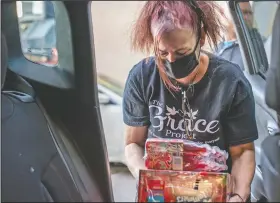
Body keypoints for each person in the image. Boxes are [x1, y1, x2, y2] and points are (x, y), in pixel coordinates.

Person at [123, 1, 258, 202]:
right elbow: (133, 143)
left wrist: (238, 195)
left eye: (181, 53)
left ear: (201, 38)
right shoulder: (142, 77)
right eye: (162, 53)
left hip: (214, 193)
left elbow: (242, 152)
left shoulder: (230, 82)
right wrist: (149, 180)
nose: (171, 60)